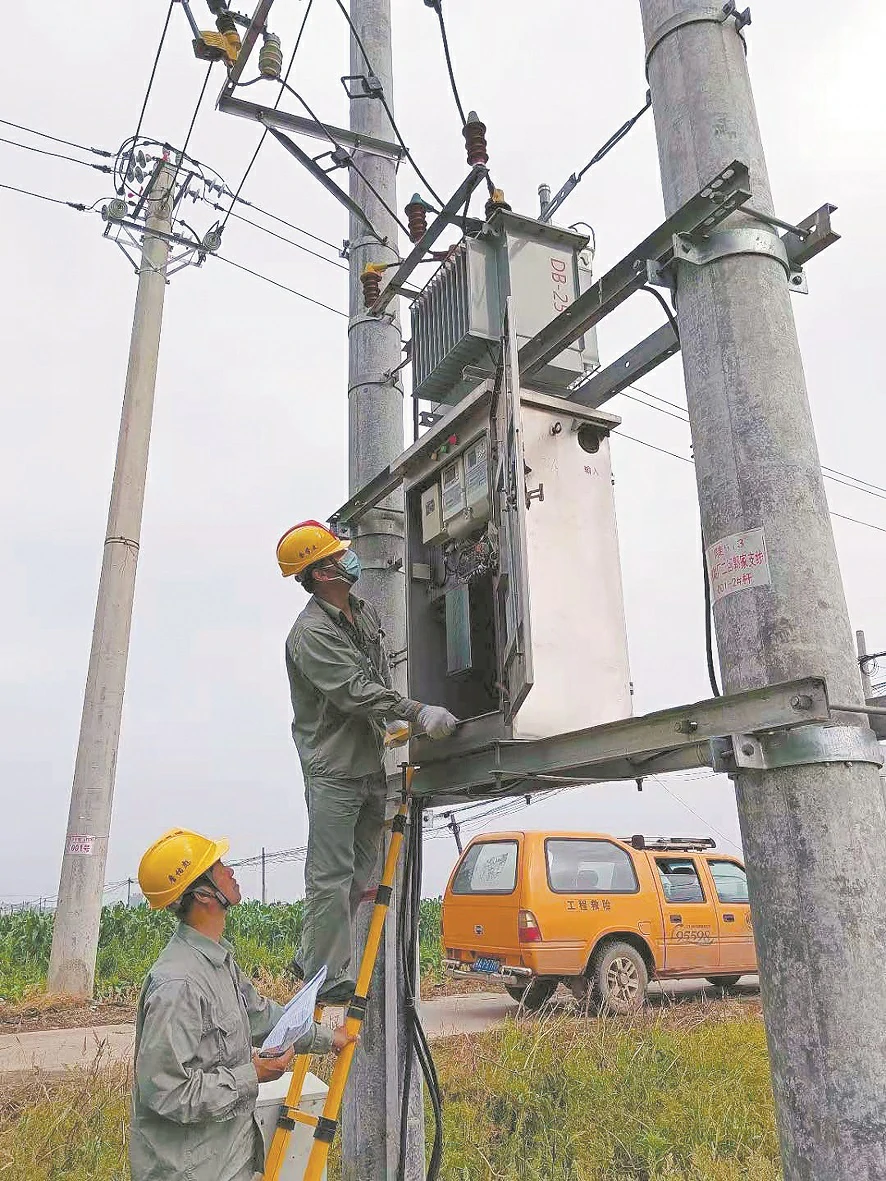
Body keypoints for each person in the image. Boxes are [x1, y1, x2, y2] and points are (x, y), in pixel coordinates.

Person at [276, 520, 458, 1005]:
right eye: (339, 555)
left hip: (368, 763)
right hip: (334, 770)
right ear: (319, 573)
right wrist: (415, 712)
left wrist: (391, 725)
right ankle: (322, 975)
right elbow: (355, 690)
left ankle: (318, 959)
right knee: (330, 877)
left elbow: (376, 672)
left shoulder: (361, 612)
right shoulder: (310, 635)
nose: (349, 559)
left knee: (361, 876)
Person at [130, 827, 356, 1181]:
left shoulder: (217, 963)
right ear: (204, 894)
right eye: (219, 865)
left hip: (228, 1160)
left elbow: (263, 1017)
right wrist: (253, 1074)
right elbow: (168, 1092)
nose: (230, 871)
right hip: (191, 1171)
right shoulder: (178, 985)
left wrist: (330, 1039)